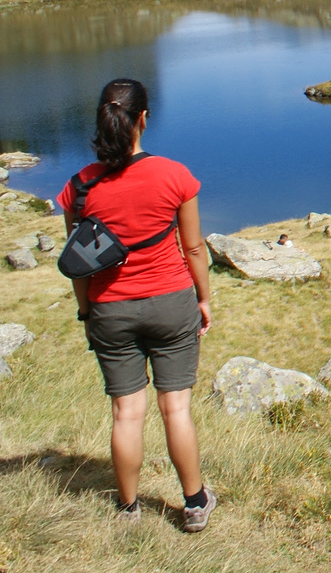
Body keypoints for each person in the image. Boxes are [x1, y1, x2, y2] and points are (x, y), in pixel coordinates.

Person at [58, 79, 216, 531]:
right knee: (176, 408)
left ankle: (128, 509)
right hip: (171, 302)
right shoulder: (174, 175)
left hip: (110, 309)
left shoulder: (80, 188)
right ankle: (194, 502)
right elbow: (194, 250)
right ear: (143, 118)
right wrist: (202, 298)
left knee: (126, 412)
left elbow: (78, 264)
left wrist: (88, 311)